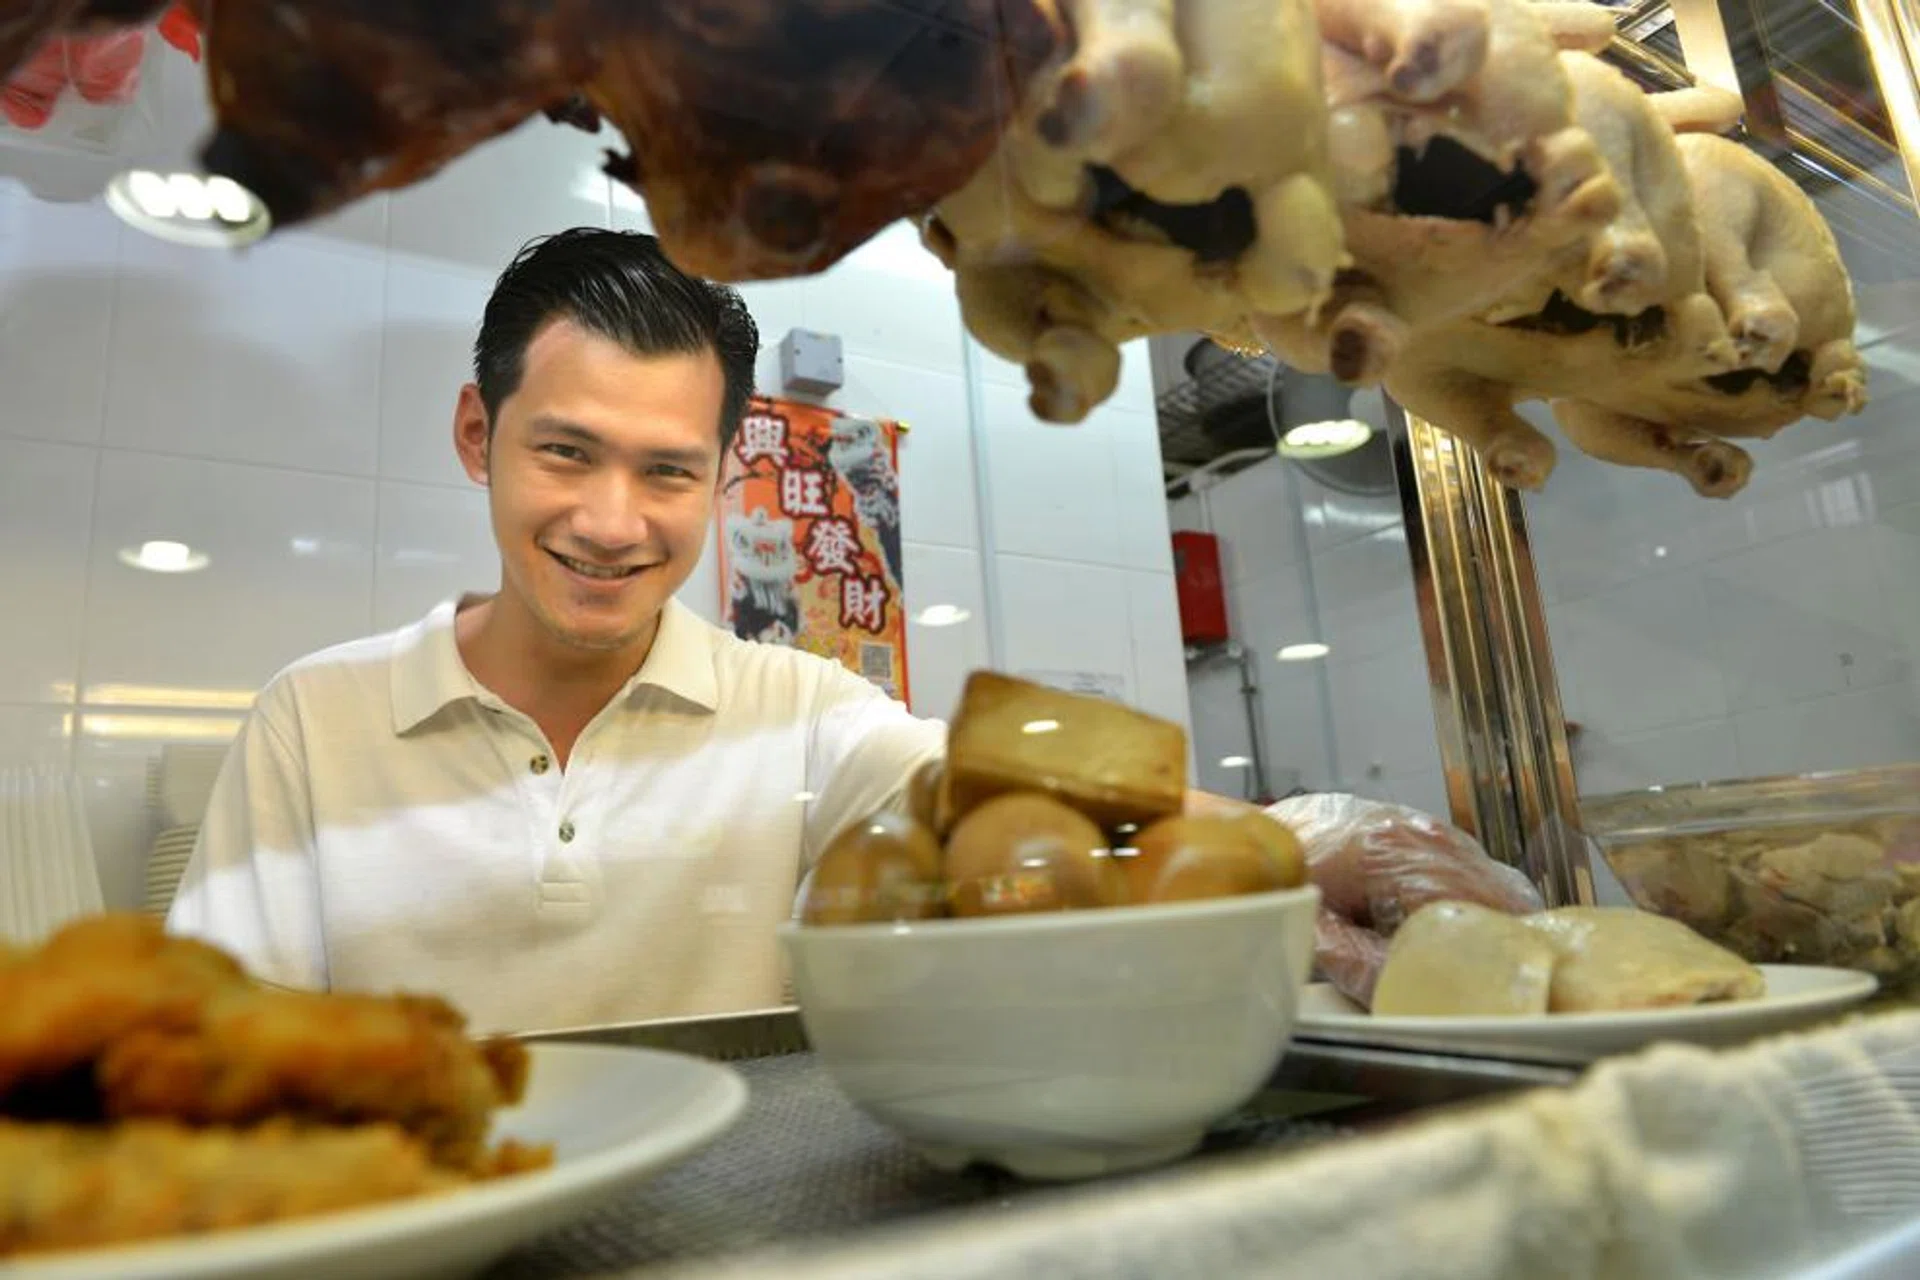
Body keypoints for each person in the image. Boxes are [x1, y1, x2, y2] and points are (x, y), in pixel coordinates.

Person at [167, 228, 946, 1032]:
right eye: (567, 451)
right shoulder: (313, 719)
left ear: (720, 477)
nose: (612, 525)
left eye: (668, 471)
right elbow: (216, 1057)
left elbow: (990, 796)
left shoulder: (806, 713)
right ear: (478, 436)